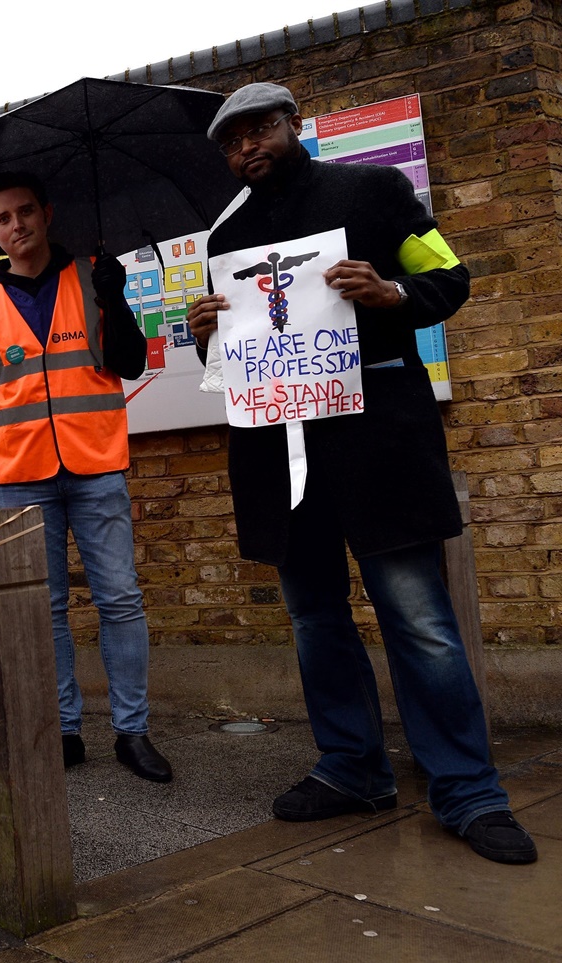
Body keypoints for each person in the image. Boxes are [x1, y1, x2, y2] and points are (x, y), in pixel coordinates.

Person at [185, 82, 535, 864]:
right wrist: (201, 331)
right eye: (232, 140)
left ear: (292, 123)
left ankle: (469, 789)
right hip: (283, 458)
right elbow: (234, 360)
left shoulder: (374, 190)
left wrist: (392, 292)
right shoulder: (226, 237)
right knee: (314, 620)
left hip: (381, 443)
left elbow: (450, 276)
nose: (247, 147)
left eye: (259, 129)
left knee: (419, 620)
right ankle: (352, 767)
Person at [0, 172, 173, 783]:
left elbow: (128, 362)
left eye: (25, 212)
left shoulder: (92, 279)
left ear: (47, 214)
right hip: (19, 478)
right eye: (2, 219)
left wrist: (117, 298)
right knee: (43, 610)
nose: (16, 226)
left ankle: (132, 732)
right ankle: (64, 730)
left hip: (96, 466)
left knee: (120, 600)